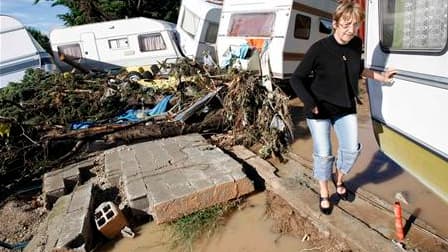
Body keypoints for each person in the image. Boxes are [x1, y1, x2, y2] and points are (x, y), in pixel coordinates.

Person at [289, 1, 397, 215]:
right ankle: (324, 192)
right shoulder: (319, 49)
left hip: (345, 106)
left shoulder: (356, 44)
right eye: (346, 24)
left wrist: (382, 77)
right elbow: (297, 78)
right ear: (335, 23)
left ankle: (339, 180)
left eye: (355, 25)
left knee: (350, 149)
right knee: (324, 153)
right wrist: (310, 102)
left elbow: (358, 70)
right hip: (319, 110)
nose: (351, 29)